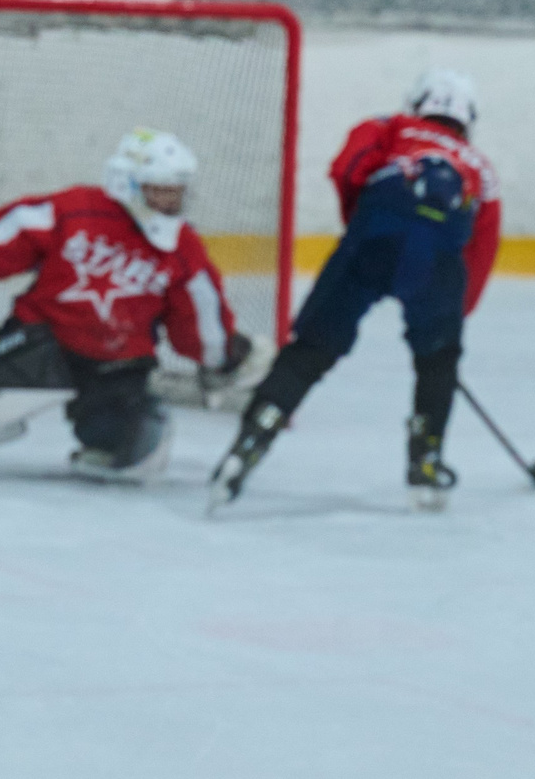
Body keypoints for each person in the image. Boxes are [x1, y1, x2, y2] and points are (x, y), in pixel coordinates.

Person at [0, 129, 256, 481]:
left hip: (118, 364)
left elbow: (197, 316)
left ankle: (107, 442)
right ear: (126, 182)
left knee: (140, 450)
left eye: (176, 192)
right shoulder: (76, 211)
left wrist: (222, 354)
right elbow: (11, 235)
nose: (170, 202)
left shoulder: (183, 248)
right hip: (41, 340)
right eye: (160, 190)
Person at [209, 68, 500, 510]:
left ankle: (252, 438)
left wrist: (360, 231)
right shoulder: (481, 167)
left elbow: (346, 169)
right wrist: (448, 326)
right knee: (436, 361)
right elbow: (482, 247)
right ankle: (426, 460)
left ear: (416, 103)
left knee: (313, 347)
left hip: (375, 236)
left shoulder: (387, 125)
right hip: (437, 257)